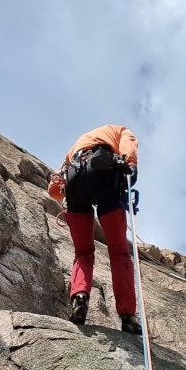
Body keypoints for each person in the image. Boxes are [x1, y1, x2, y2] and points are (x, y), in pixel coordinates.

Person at [48, 125, 142, 335]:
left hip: (74, 180)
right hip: (102, 175)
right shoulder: (120, 130)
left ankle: (80, 296)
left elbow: (53, 189)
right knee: (119, 251)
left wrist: (67, 191)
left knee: (83, 253)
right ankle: (127, 316)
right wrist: (130, 164)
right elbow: (128, 144)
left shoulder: (75, 147)